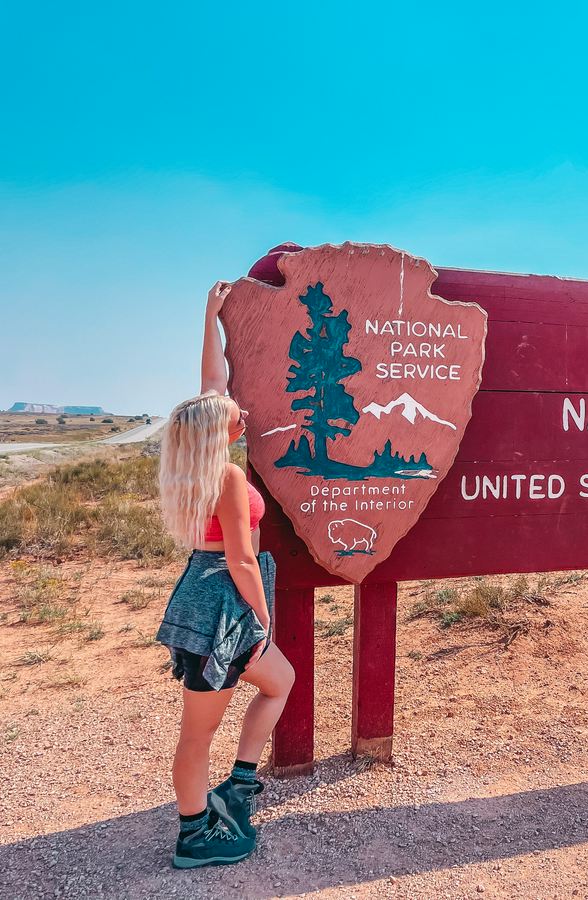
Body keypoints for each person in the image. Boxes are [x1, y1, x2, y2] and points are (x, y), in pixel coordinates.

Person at [154, 281, 296, 868]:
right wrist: (261, 618)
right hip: (225, 604)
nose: (242, 406)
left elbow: (212, 385)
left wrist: (209, 318)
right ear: (222, 429)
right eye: (234, 410)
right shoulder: (229, 479)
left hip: (203, 593)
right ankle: (194, 834)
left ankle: (239, 783)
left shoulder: (196, 467)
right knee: (197, 733)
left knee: (278, 680)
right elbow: (240, 559)